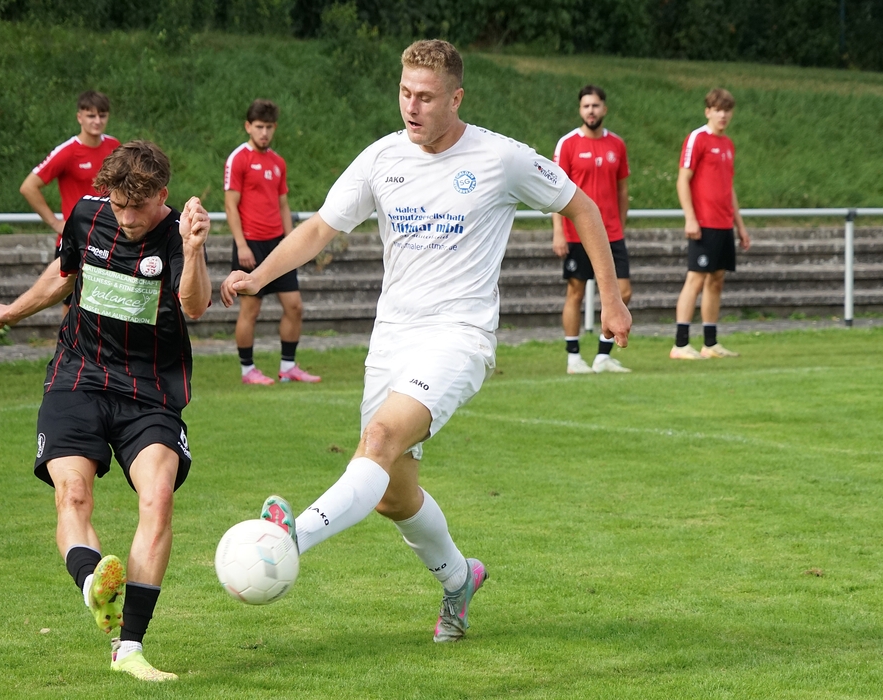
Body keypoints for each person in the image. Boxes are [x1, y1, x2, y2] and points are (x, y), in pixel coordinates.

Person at [220, 39, 631, 643]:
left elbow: (584, 208)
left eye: (427, 97)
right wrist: (258, 276)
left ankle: (288, 537)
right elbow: (320, 229)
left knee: (379, 439)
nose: (412, 107)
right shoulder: (382, 157)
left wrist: (612, 299)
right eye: (405, 93)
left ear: (456, 98)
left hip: (459, 336)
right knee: (391, 493)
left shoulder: (501, 158)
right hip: (393, 337)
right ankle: (460, 579)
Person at [0, 141, 211, 681]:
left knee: (157, 496)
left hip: (150, 389)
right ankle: (93, 584)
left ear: (163, 195)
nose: (126, 219)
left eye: (139, 207)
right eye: (119, 206)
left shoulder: (177, 233)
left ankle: (129, 647)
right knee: (73, 493)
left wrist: (195, 249)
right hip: (77, 376)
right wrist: (12, 311)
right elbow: (64, 274)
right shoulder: (86, 214)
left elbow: (195, 306)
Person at [225, 99, 320, 385]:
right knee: (250, 310)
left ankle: (288, 367)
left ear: (274, 128)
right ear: (248, 127)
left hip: (278, 245)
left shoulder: (278, 162)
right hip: (251, 245)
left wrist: (292, 242)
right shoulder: (238, 158)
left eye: (268, 127)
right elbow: (230, 205)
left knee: (295, 306)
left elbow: (283, 204)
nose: (264, 133)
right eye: (258, 127)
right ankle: (247, 370)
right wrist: (241, 245)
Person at [553, 85, 632, 374]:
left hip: (611, 233)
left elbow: (622, 190)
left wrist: (620, 224)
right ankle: (573, 357)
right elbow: (555, 191)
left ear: (604, 109)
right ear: (580, 110)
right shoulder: (568, 144)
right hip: (577, 233)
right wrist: (558, 231)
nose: (591, 111)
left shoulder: (617, 145)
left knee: (623, 291)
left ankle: (603, 355)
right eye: (586, 106)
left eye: (596, 105)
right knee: (575, 292)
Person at [20, 90, 121, 315]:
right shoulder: (68, 151)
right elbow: (28, 186)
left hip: (108, 238)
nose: (97, 121)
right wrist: (56, 223)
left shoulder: (114, 146)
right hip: (76, 240)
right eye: (91, 115)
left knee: (106, 305)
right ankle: (67, 340)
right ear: (79, 117)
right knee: (73, 304)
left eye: (102, 115)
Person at [670, 88, 751, 360]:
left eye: (727, 110)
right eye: (718, 110)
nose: (723, 115)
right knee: (695, 279)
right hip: (703, 223)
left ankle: (710, 343)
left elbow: (729, 188)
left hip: (723, 224)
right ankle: (680, 344)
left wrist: (740, 226)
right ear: (708, 111)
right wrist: (690, 217)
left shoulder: (728, 144)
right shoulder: (697, 138)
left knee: (716, 281)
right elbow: (683, 179)